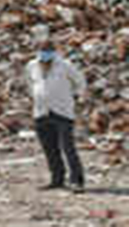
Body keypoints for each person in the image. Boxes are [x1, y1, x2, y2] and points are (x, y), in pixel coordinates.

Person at [27, 37, 86, 192]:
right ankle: (57, 179)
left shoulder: (65, 65)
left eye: (47, 50)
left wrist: (74, 97)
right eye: (41, 50)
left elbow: (80, 82)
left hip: (62, 111)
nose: (44, 53)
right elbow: (30, 84)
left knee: (68, 148)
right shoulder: (32, 65)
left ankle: (77, 180)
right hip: (41, 112)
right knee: (49, 148)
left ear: (53, 51)